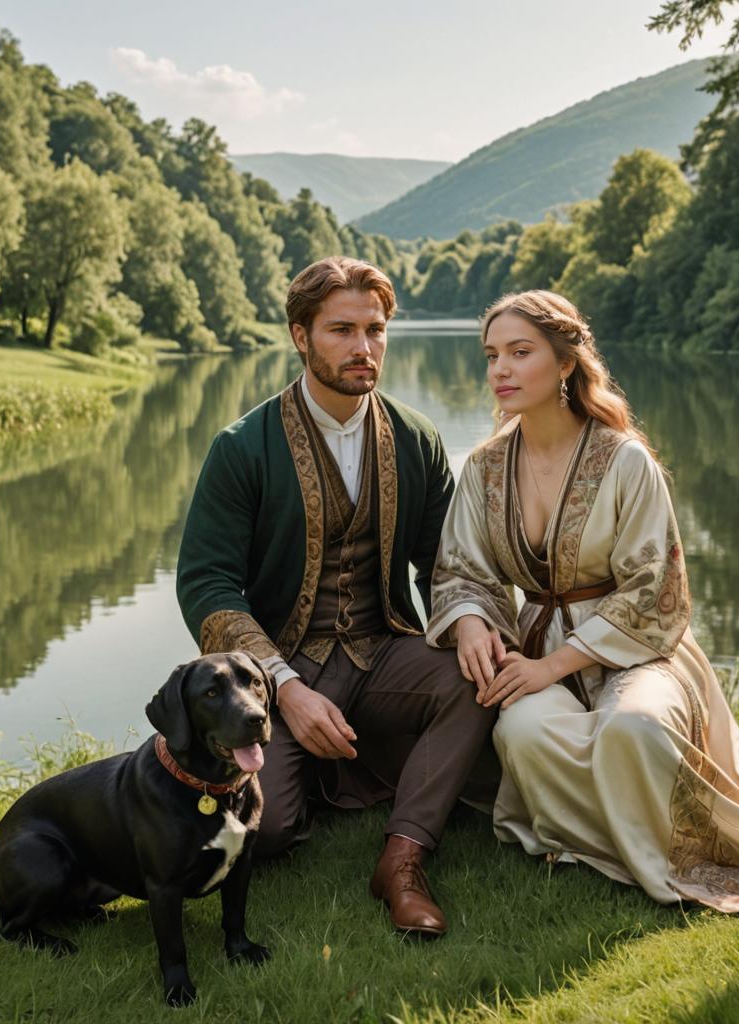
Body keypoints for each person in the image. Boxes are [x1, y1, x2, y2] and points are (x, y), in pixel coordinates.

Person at [426, 289, 739, 912]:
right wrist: (473, 622)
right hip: (537, 643)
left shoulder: (624, 460)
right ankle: (592, 839)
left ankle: (668, 847)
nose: (500, 370)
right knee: (525, 731)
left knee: (634, 729)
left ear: (565, 364)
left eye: (519, 352)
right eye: (491, 356)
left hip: (640, 647)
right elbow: (460, 568)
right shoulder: (483, 467)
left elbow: (656, 590)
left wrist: (551, 668)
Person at [177, 257, 497, 936]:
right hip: (281, 672)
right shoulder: (241, 448)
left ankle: (403, 858)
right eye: (341, 330)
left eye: (376, 330)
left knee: (472, 680)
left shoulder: (417, 437)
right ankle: (333, 777)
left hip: (382, 651)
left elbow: (446, 563)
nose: (363, 348)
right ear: (300, 335)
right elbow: (206, 583)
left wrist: (468, 620)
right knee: (266, 833)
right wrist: (284, 686)